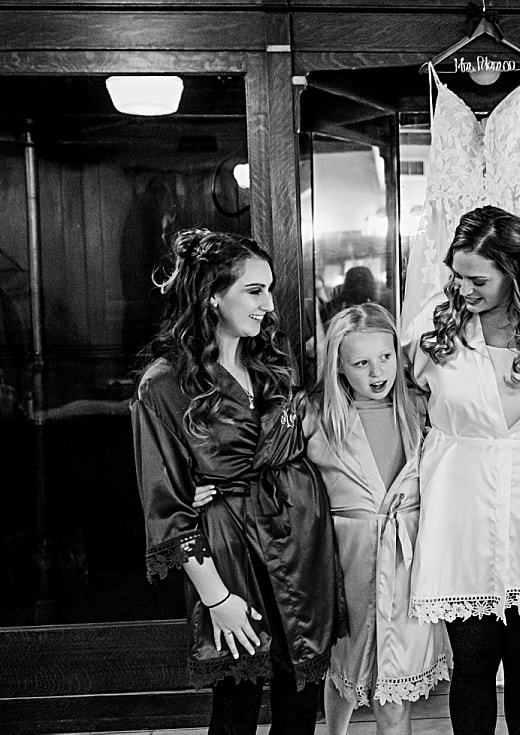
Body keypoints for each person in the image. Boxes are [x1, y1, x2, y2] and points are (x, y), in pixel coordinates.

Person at [197, 302, 452, 735]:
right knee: (340, 673)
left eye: (386, 357)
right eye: (361, 363)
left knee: (394, 693)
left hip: (407, 564)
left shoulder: (422, 411)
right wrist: (211, 483)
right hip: (338, 565)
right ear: (338, 367)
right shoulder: (313, 415)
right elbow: (262, 462)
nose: (377, 373)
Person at [132, 228, 342, 735]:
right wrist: (216, 599)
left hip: (300, 538)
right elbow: (167, 505)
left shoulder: (270, 360)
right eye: (254, 290)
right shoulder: (164, 384)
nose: (269, 305)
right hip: (230, 553)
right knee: (237, 702)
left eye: (268, 289)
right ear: (212, 296)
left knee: (302, 696)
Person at [403, 205, 520, 735]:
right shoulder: (434, 324)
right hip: (461, 504)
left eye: (477, 278)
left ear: (516, 270)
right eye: (456, 275)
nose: (462, 288)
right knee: (475, 662)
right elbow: (396, 401)